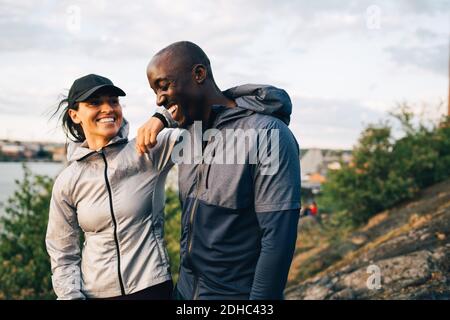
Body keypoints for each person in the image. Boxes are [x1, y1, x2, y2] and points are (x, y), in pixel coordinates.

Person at [138, 41, 301, 300]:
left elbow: (278, 241)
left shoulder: (267, 134)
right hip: (184, 293)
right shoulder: (190, 132)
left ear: (199, 74)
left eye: (163, 85)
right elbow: (195, 109)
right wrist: (161, 117)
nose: (158, 99)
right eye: (154, 91)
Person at [45, 74, 179, 300]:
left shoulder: (148, 151)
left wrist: (162, 117)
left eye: (113, 101)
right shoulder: (68, 181)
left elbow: (201, 117)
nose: (107, 108)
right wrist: (71, 297)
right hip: (95, 294)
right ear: (74, 114)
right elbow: (63, 253)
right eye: (95, 103)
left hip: (151, 288)